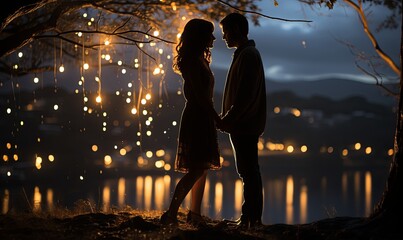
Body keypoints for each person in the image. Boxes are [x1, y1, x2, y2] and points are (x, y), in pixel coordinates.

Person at [160, 19, 221, 226]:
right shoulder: (193, 61)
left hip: (202, 115)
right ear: (200, 37)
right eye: (209, 34)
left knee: (202, 167)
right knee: (196, 168)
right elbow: (200, 95)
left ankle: (194, 214)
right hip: (197, 116)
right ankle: (171, 214)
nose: (213, 38)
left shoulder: (200, 59)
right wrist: (216, 116)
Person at [218, 12, 267, 228]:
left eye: (225, 32)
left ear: (237, 29)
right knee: (248, 171)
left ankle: (251, 219)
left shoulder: (248, 55)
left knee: (248, 172)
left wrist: (228, 118)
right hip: (243, 124)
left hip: (244, 125)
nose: (224, 37)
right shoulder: (244, 54)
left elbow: (245, 95)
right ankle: (250, 217)